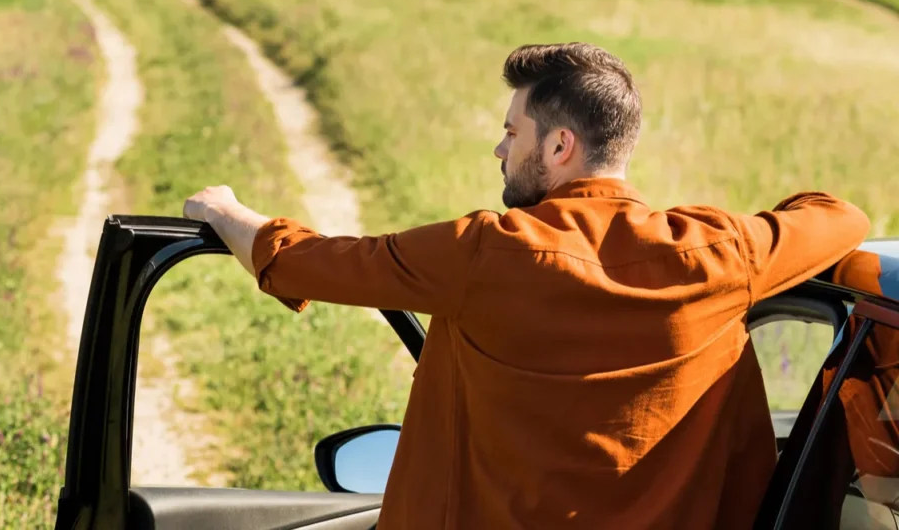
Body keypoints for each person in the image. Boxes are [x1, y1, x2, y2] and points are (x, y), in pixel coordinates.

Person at [182, 42, 871, 529]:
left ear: (560, 145)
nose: (501, 148)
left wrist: (224, 213)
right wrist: (736, 235)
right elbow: (841, 217)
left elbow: (314, 262)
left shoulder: (489, 253)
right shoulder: (719, 254)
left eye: (513, 131)